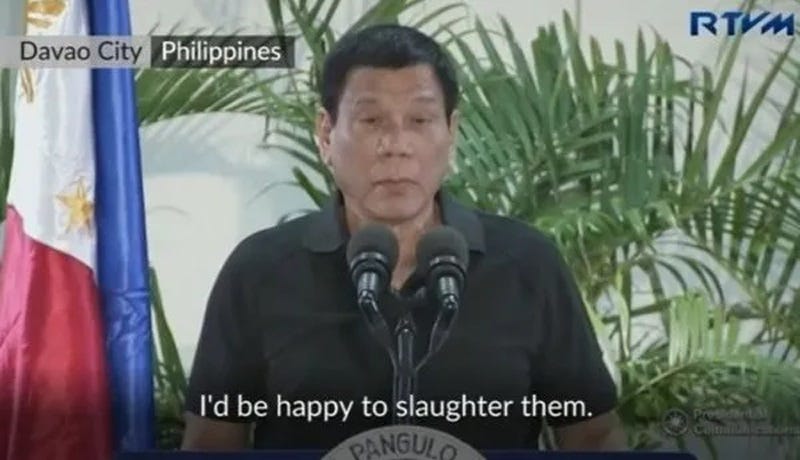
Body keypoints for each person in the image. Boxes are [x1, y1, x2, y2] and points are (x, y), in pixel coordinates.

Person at [181, 24, 626, 451]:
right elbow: (211, 442)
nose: (396, 143)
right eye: (372, 120)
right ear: (325, 134)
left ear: (450, 133)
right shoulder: (260, 271)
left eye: (419, 119)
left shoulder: (529, 264)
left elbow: (593, 436)